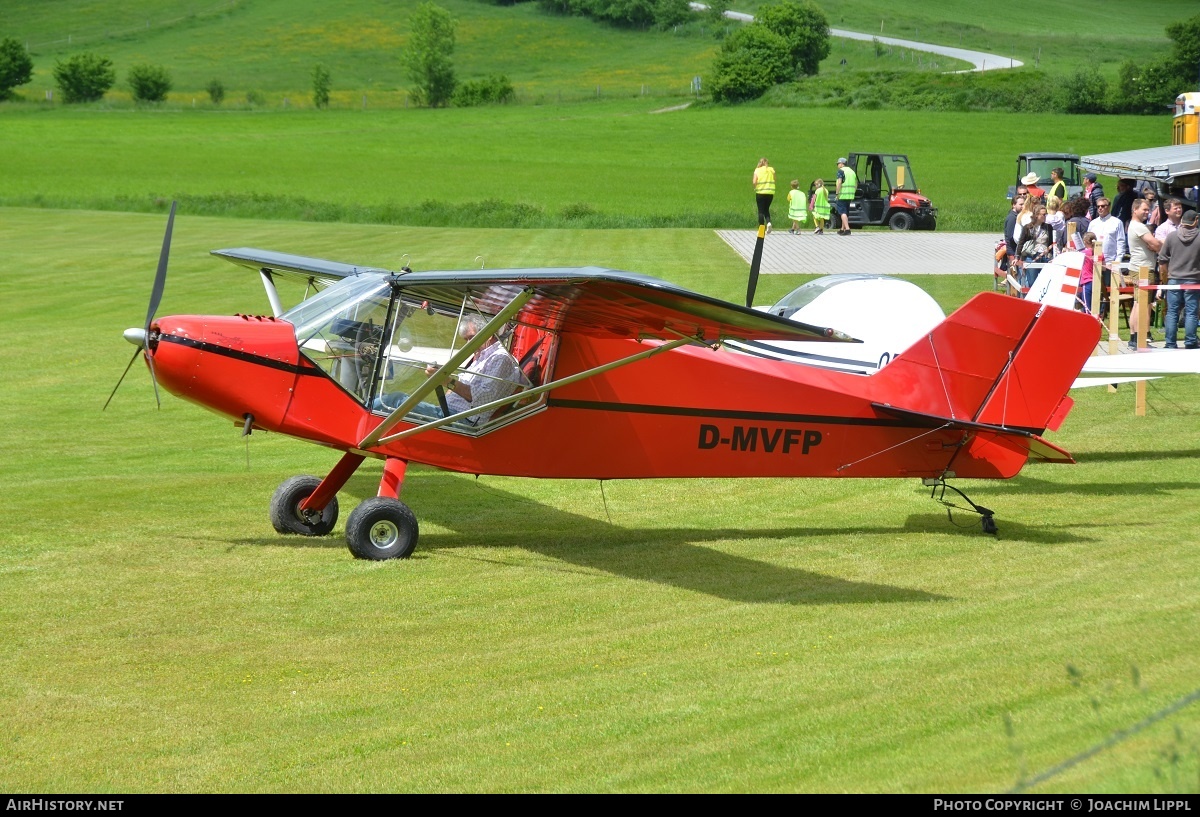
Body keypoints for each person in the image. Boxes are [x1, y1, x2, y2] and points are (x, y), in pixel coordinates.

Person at [1158, 209, 1200, 349]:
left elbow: (1162, 259)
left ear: (1182, 221)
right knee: (1191, 312)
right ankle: (1190, 341)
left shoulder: (1171, 236)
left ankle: (1170, 343)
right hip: (1193, 280)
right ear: (1196, 221)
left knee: (1172, 311)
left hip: (1174, 279)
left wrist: (1164, 278)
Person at [1126, 198, 1163, 347]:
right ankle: (1138, 339)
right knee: (1142, 304)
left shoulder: (1133, 225)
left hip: (1137, 267)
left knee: (1137, 303)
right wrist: (1157, 245)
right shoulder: (1139, 227)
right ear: (1135, 210)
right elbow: (1155, 244)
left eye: (1148, 210)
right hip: (1143, 269)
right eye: (1144, 210)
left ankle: (1134, 337)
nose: (1147, 212)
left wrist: (1155, 244)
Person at [1016, 204, 1054, 289]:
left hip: (1045, 256)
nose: (1045, 216)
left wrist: (1052, 256)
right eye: (1043, 214)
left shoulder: (1048, 227)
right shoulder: (1028, 227)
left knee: (1045, 281)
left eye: (1046, 214)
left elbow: (1051, 243)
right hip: (1031, 256)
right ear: (1036, 215)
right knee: (1032, 282)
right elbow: (1021, 242)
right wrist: (1017, 256)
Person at [834, 157, 857, 235]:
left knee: (842, 212)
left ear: (841, 164)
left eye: (838, 163)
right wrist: (853, 192)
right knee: (846, 212)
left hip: (842, 194)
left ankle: (847, 229)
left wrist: (837, 193)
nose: (837, 165)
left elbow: (839, 182)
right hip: (850, 195)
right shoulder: (852, 171)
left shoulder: (841, 171)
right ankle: (842, 229)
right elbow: (856, 183)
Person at [752, 157, 775, 232]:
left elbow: (754, 181)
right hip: (770, 193)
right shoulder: (771, 169)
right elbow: (774, 179)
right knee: (766, 209)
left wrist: (755, 187)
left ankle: (761, 228)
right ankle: (768, 222)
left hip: (760, 192)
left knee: (761, 211)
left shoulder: (757, 170)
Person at [1080, 232, 1101, 314]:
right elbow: (1103, 269)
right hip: (1096, 281)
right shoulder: (1100, 253)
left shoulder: (1083, 254)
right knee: (1095, 307)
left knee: (1086, 307)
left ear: (1085, 241)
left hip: (1087, 281)